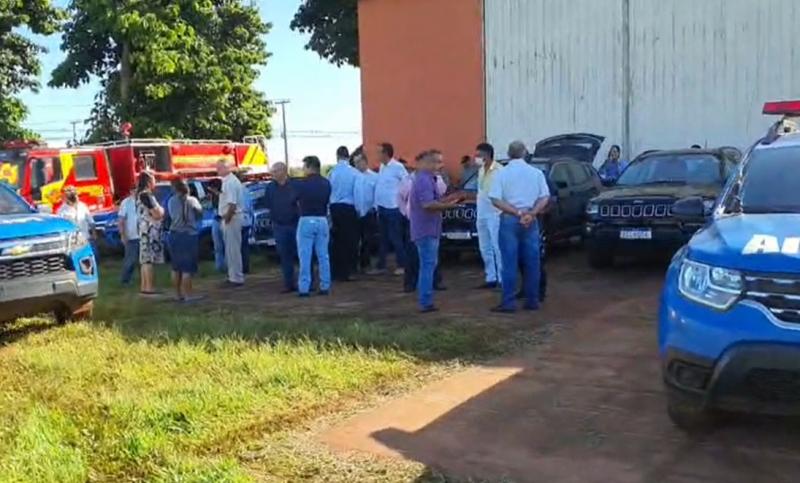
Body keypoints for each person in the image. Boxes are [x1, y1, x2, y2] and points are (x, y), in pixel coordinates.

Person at [489, 141, 550, 313]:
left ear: (509, 154)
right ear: (524, 153)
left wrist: (517, 212)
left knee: (509, 263)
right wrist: (532, 213)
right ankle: (532, 300)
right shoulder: (536, 173)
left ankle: (508, 302)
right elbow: (544, 197)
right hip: (531, 221)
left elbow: (495, 199)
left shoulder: (501, 174)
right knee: (532, 262)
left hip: (509, 219)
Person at [409, 150, 459, 313]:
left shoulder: (428, 179)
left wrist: (448, 200)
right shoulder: (424, 180)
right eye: (437, 162)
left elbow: (433, 201)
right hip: (426, 229)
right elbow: (428, 205)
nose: (440, 165)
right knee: (428, 265)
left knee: (429, 264)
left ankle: (425, 298)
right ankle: (425, 301)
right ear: (428, 163)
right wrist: (449, 206)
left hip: (430, 228)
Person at [398, 159, 446, 293]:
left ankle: (435, 281)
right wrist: (405, 213)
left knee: (432, 256)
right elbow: (400, 198)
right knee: (413, 254)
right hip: (413, 220)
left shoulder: (436, 179)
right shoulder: (408, 180)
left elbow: (442, 192)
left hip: (431, 221)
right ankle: (411, 283)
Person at [294, 156, 332, 296]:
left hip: (306, 218)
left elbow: (295, 200)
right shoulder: (326, 183)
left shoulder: (301, 184)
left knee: (305, 255)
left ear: (310, 167)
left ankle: (304, 287)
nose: (303, 169)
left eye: (304, 167)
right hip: (322, 219)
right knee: (323, 255)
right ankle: (325, 285)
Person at [373, 142, 408, 275]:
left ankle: (402, 265)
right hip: (382, 207)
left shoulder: (398, 167)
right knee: (383, 238)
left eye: (379, 152)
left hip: (393, 207)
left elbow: (406, 183)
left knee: (395, 237)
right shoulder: (382, 167)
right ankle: (381, 265)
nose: (377, 155)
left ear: (386, 153)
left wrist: (401, 202)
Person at [264, 162, 299, 293]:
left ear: (283, 171)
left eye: (275, 171)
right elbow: (268, 204)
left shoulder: (295, 185)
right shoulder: (270, 188)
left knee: (301, 254)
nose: (272, 174)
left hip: (295, 224)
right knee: (284, 256)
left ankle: (307, 282)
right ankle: (288, 284)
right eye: (272, 171)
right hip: (279, 226)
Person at [167, 177, 203, 302]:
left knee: (176, 266)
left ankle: (177, 294)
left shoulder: (171, 201)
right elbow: (199, 214)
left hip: (174, 234)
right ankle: (189, 295)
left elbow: (170, 216)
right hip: (188, 234)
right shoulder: (192, 200)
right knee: (187, 267)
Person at [328, 146, 360, 282]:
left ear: (337, 156)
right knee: (351, 241)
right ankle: (350, 271)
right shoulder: (354, 173)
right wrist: (359, 210)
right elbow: (358, 193)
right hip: (349, 208)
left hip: (335, 208)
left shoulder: (331, 173)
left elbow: (328, 192)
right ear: (348, 157)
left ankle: (336, 272)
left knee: (337, 241)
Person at [475, 142, 503, 289]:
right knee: (484, 246)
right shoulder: (480, 170)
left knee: (497, 246)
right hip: (481, 213)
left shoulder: (499, 171)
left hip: (495, 214)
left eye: (478, 155)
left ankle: (502, 278)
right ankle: (490, 277)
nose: (476, 158)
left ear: (486, 155)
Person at [216, 159, 246, 287]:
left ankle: (236, 278)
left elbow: (232, 204)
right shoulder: (227, 182)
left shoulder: (230, 182)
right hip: (230, 218)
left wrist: (227, 219)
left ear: (226, 168)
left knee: (233, 249)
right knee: (230, 249)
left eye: (219, 167)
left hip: (232, 218)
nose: (217, 170)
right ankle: (232, 275)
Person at [135, 171, 165, 295]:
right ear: (148, 182)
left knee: (144, 260)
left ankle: (144, 286)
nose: (155, 183)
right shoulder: (147, 195)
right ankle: (149, 287)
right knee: (149, 260)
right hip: (150, 231)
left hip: (142, 230)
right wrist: (162, 211)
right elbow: (156, 213)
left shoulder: (138, 196)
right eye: (153, 180)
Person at [353, 154, 379, 272]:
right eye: (355, 162)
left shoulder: (374, 177)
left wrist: (373, 207)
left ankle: (365, 264)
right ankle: (355, 264)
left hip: (369, 212)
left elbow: (377, 194)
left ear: (364, 161)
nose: (356, 164)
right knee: (354, 240)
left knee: (367, 240)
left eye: (358, 162)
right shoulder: (353, 176)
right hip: (355, 213)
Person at [57, 186, 97, 257]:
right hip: (72, 240)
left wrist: (94, 233)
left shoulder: (83, 206)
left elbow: (91, 221)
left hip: (85, 237)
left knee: (89, 257)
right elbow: (60, 226)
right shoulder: (61, 210)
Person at [118, 188, 139, 285]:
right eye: (134, 190)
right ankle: (125, 279)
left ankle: (143, 279)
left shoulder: (142, 200)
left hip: (142, 234)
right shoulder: (125, 203)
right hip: (131, 235)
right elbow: (121, 220)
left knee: (142, 261)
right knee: (130, 259)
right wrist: (123, 235)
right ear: (130, 191)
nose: (136, 192)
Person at [206, 178, 226, 273]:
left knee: (226, 244)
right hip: (216, 219)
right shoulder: (212, 197)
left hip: (224, 220)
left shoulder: (223, 195)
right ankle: (220, 266)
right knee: (217, 245)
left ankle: (228, 265)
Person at [239, 176, 254, 274]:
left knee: (236, 246)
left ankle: (239, 268)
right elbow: (250, 207)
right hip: (246, 219)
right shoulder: (246, 190)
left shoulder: (232, 191)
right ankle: (246, 267)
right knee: (245, 246)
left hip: (237, 219)